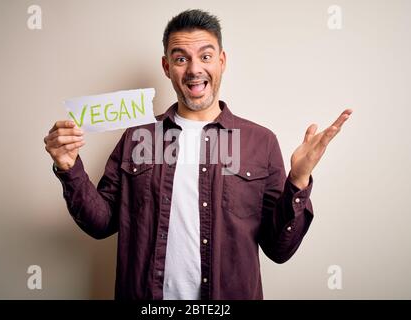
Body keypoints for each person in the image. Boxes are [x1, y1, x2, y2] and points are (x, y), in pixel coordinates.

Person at [43, 9, 352, 300]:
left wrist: (298, 180)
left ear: (221, 61)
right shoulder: (138, 137)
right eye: (181, 58)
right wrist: (69, 167)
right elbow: (101, 223)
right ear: (166, 66)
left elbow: (279, 249)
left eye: (205, 56)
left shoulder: (261, 142)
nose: (194, 69)